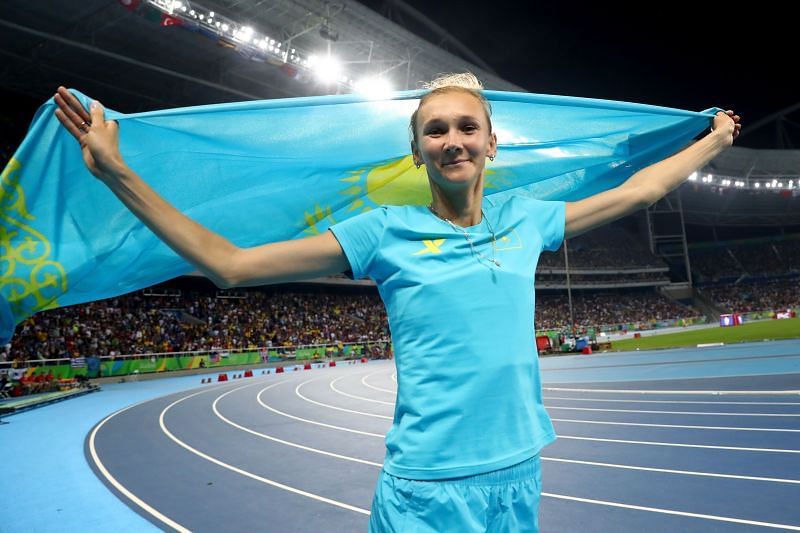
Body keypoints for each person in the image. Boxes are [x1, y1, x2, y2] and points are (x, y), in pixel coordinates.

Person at [54, 74, 740, 532]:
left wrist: (712, 139)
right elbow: (230, 266)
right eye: (435, 130)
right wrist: (118, 172)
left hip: (519, 471)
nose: (453, 140)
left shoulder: (527, 216)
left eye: (467, 127)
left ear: (491, 142)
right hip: (426, 488)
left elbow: (640, 194)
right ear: (416, 151)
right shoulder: (381, 230)